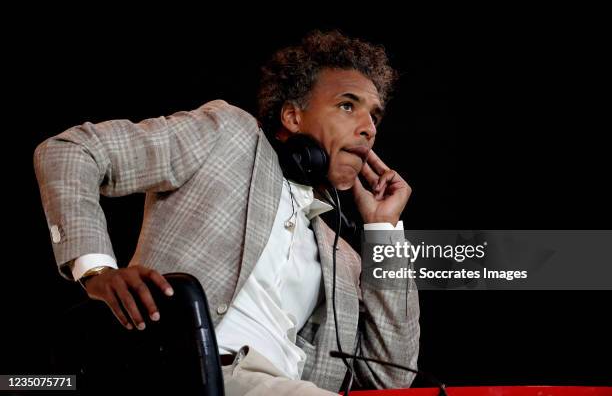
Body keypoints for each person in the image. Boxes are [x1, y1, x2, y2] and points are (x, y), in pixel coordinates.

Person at [34, 30, 419, 395]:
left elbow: (392, 376)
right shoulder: (229, 136)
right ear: (292, 117)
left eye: (374, 117)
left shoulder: (344, 258)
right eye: (347, 106)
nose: (368, 128)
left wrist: (383, 230)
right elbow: (70, 151)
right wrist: (96, 269)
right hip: (188, 373)